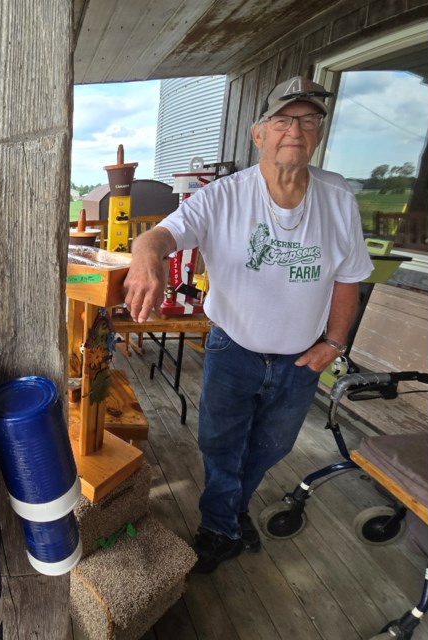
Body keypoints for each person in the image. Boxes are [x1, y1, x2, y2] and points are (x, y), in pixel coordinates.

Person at [122, 76, 374, 574]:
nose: (295, 131)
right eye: (283, 120)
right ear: (259, 134)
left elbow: (348, 279)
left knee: (272, 445)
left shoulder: (337, 195)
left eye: (307, 120)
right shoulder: (224, 196)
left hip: (301, 360)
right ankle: (220, 525)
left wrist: (335, 343)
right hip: (232, 349)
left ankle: (231, 511)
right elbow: (163, 235)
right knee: (220, 443)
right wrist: (145, 256)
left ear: (318, 134)